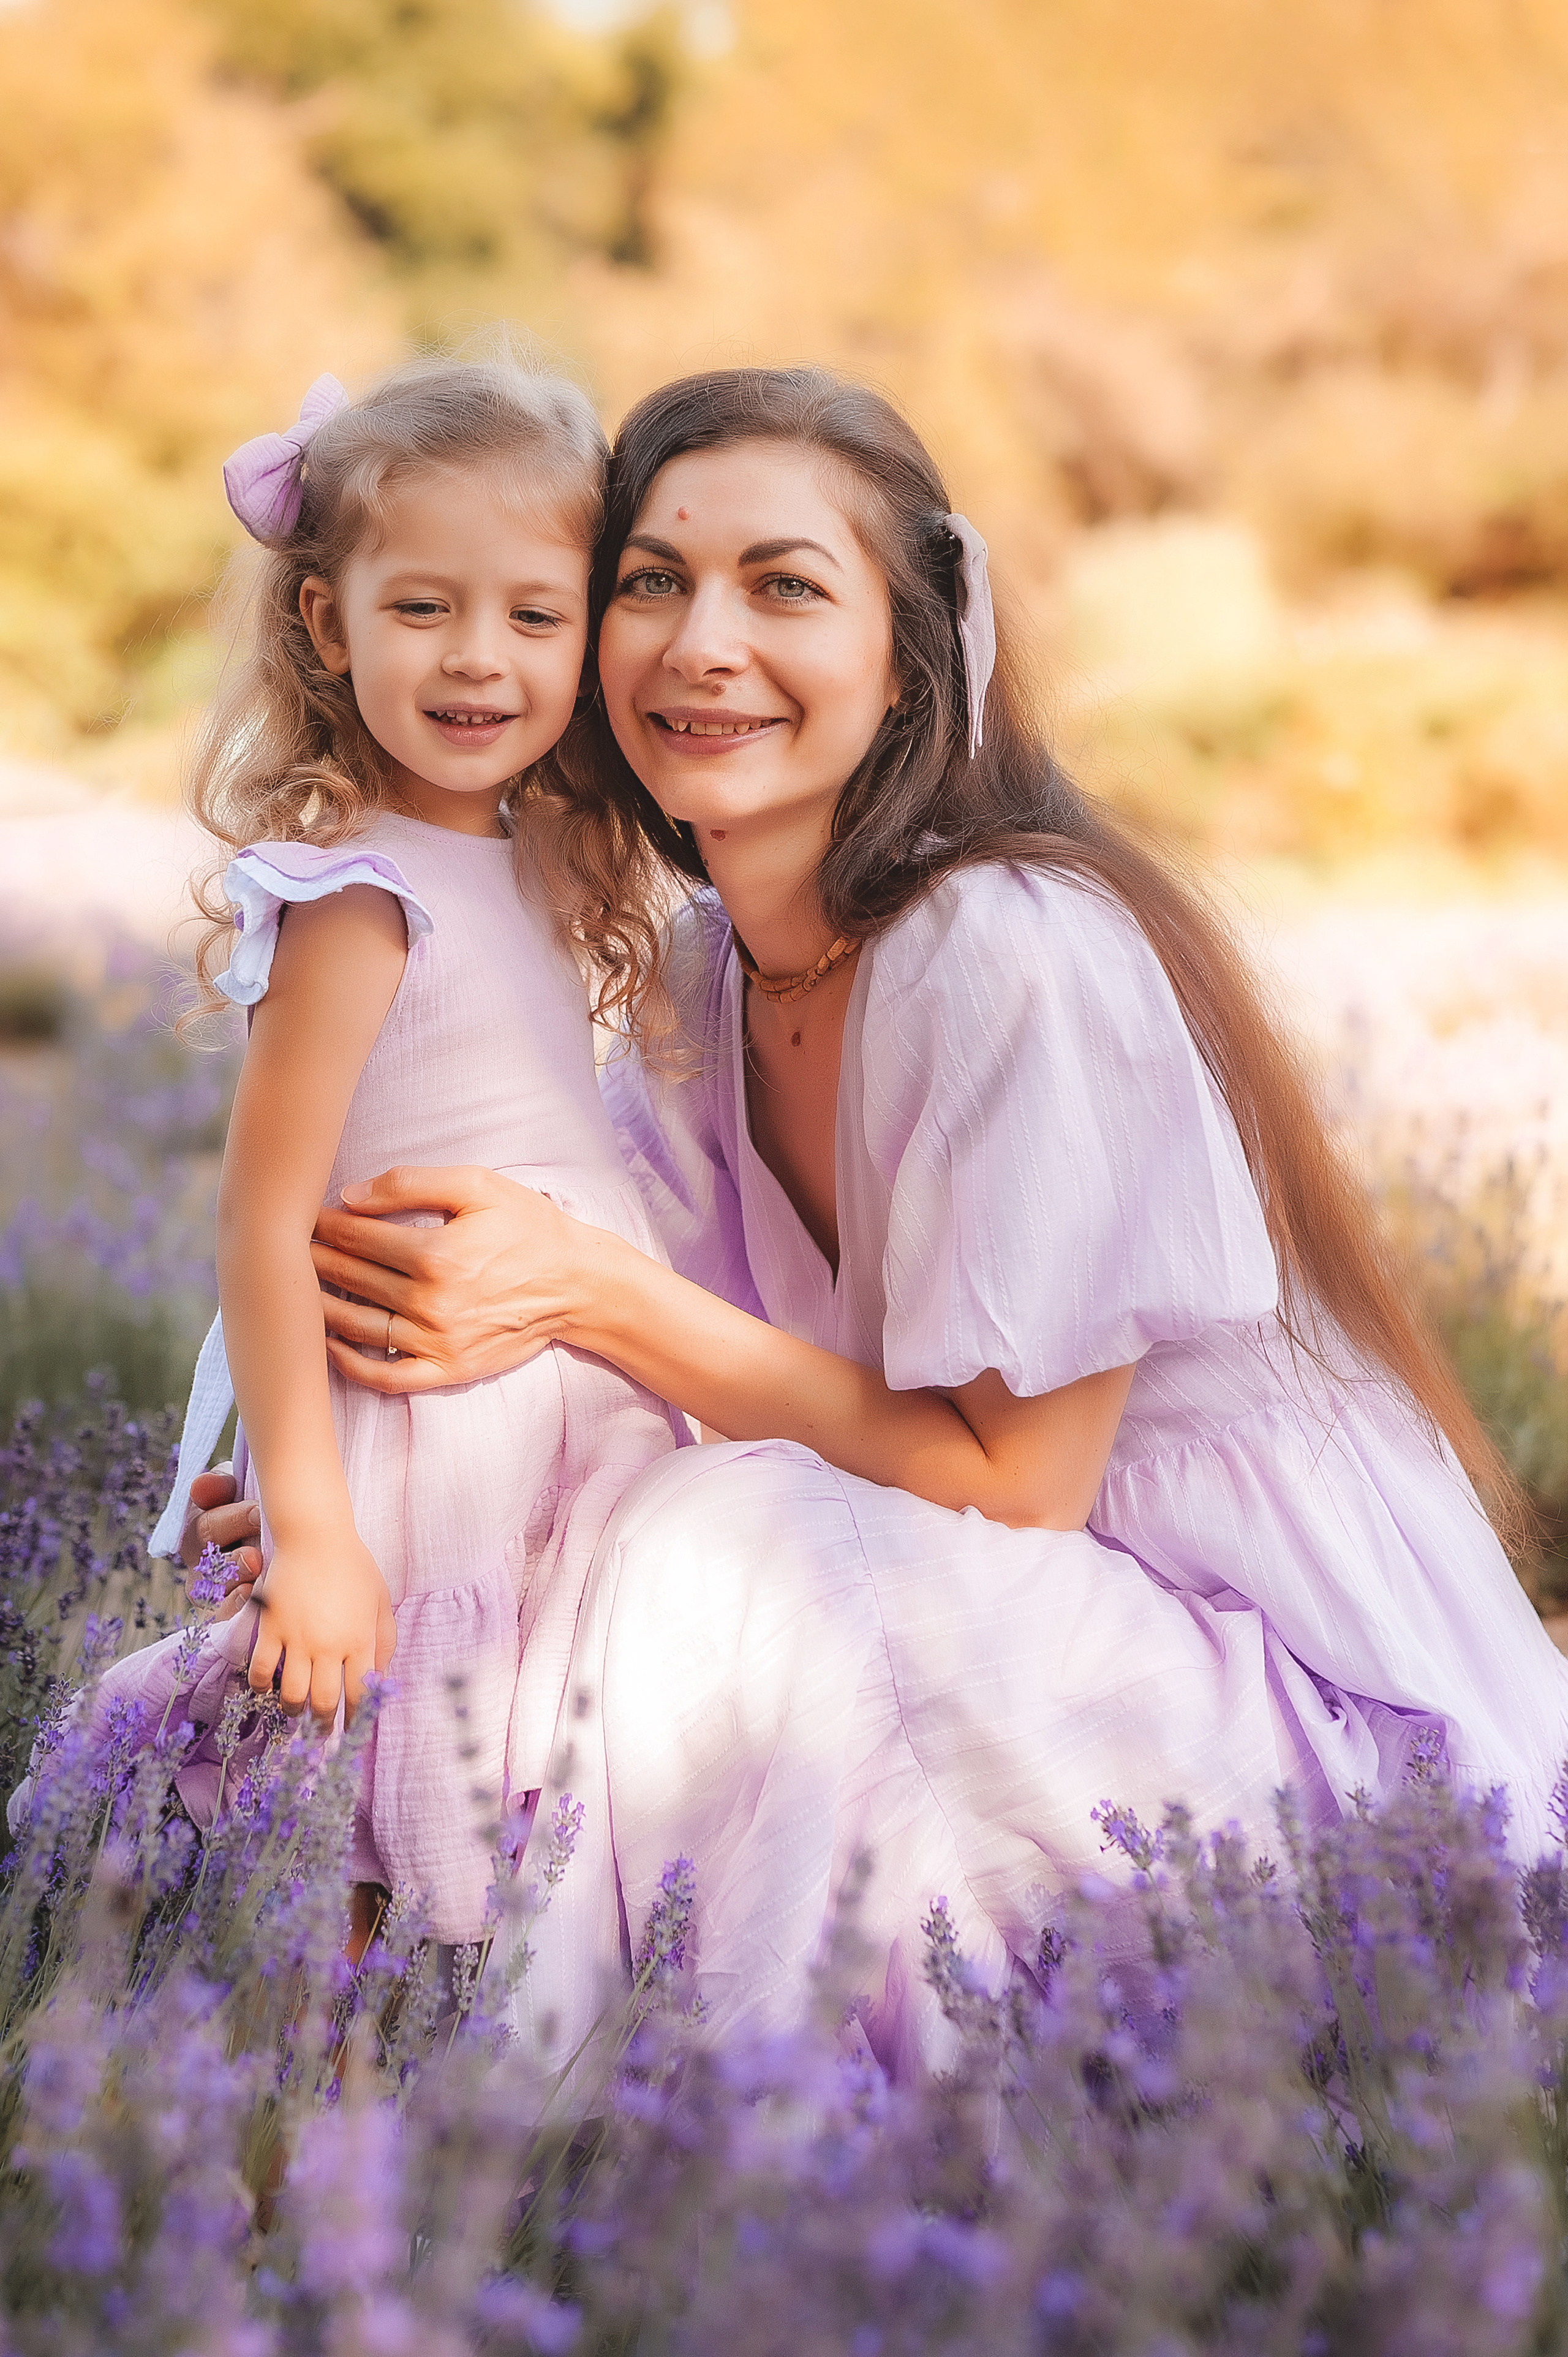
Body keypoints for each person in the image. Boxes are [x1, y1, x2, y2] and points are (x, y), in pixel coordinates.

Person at [200, 367, 1568, 2073]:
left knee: (728, 1553)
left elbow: (1015, 1487)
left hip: (1267, 1698)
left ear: (910, 651)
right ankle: (512, 2152)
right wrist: (357, 1494)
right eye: (651, 581)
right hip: (1004, 1617)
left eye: (783, 585)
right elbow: (651, 1378)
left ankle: (785, 2172)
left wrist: (590, 1290)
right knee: (670, 1548)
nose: (704, 641)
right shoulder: (708, 971)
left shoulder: (1011, 951)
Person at [75, 357, 686, 1947]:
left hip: (550, 1417)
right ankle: (305, 2153)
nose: (480, 658)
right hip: (420, 1439)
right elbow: (262, 1222)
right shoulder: (355, 895)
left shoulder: (539, 854)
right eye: (424, 609)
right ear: (330, 626)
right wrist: (315, 1528)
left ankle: (425, 2147)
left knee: (507, 1822)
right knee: (374, 1828)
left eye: (533, 617)